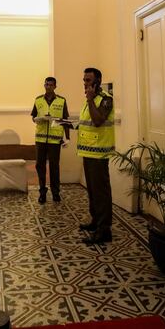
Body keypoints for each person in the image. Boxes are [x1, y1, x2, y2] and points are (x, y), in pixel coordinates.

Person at [75, 67, 115, 245]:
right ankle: (95, 221)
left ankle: (104, 230)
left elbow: (98, 121)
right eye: (84, 80)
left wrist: (91, 100)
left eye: (88, 80)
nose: (85, 84)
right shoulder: (89, 101)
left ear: (97, 81)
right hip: (87, 151)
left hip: (99, 154)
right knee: (92, 190)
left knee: (101, 192)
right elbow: (87, 123)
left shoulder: (106, 100)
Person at [30, 77, 70, 204]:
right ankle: (42, 192)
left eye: (51, 85)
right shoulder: (38, 100)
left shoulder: (62, 101)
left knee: (54, 167)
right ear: (44, 85)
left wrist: (67, 138)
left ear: (55, 86)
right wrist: (39, 119)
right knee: (39, 166)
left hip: (55, 140)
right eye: (47, 84)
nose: (48, 87)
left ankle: (55, 192)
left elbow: (65, 120)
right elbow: (33, 117)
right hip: (40, 139)